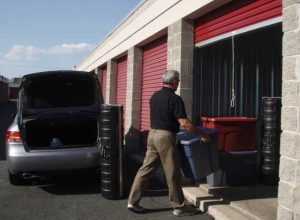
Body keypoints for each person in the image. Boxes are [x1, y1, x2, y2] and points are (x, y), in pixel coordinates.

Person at [127, 70, 210, 217]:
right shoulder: (175, 99)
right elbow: (184, 123)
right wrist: (201, 134)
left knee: (145, 169)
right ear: (174, 82)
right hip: (165, 137)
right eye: (178, 81)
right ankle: (179, 206)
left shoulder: (154, 97)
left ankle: (132, 202)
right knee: (173, 172)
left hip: (152, 135)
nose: (178, 83)